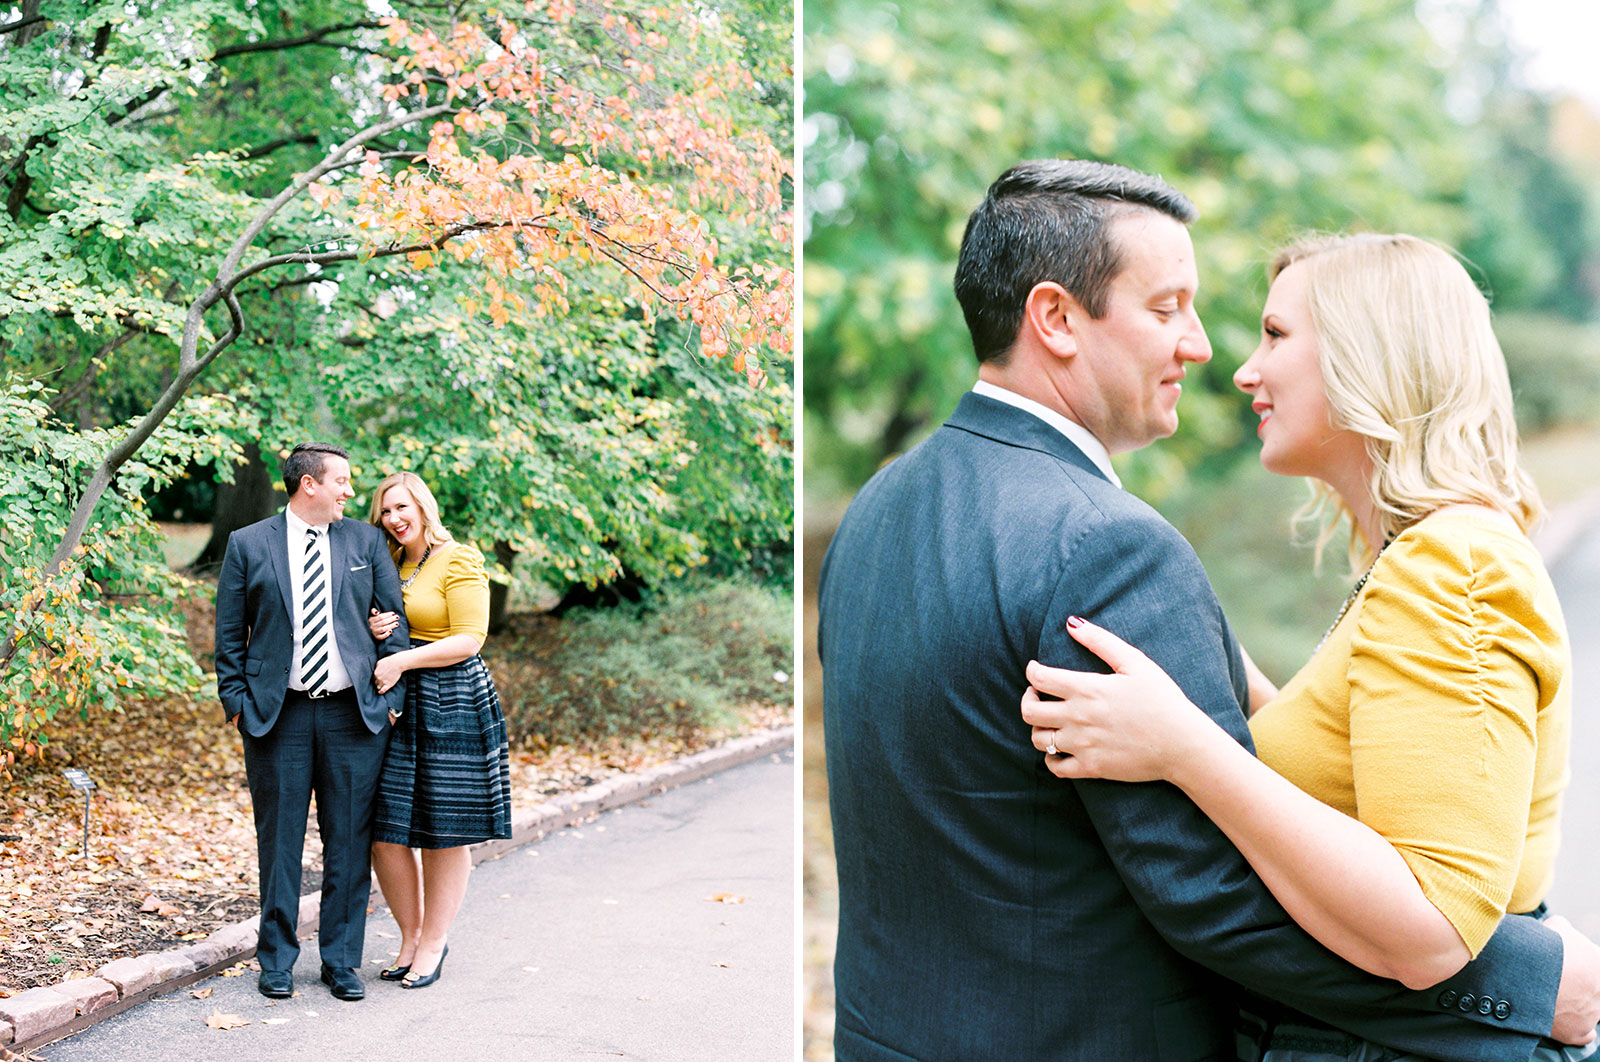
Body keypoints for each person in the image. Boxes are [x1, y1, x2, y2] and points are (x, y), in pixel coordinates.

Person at [817, 160, 1600, 1061]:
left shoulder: (879, 509)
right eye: (1165, 309)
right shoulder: (1103, 544)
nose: (1212, 353)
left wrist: (1191, 728)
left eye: (1268, 333)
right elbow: (1216, 897)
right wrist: (1532, 983)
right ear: (1057, 320)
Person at [1021, 232, 1596, 1059]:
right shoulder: (1418, 559)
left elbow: (1433, 925)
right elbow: (1352, 770)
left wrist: (1182, 747)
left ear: (1372, 356)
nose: (1245, 369)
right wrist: (1189, 637)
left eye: (1277, 336)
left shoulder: (1452, 566)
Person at [214, 442, 410, 1002]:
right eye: (342, 481)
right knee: (279, 842)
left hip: (354, 717)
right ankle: (275, 961)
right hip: (278, 717)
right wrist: (239, 707)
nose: (351, 492)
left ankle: (341, 961)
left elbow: (391, 626)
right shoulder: (249, 544)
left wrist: (390, 703)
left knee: (349, 841)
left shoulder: (365, 541)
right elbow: (229, 638)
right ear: (309, 485)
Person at [362, 471, 511, 990]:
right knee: (385, 830)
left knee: (444, 831)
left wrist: (402, 658)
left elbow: (470, 638)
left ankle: (434, 941)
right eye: (385, 510)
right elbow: (385, 624)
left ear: (423, 507)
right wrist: (378, 628)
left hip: (452, 698)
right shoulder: (388, 562)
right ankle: (409, 936)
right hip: (397, 700)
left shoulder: (459, 558)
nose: (394, 518)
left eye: (402, 507)